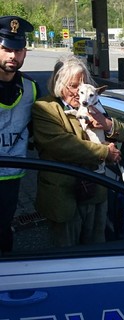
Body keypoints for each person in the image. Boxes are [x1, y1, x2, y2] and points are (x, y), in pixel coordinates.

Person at [32, 55, 124, 247]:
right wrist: (104, 152)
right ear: (60, 84)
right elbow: (62, 145)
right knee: (67, 252)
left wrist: (106, 123)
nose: (80, 92)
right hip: (64, 195)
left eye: (84, 84)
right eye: (74, 86)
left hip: (96, 192)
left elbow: (123, 132)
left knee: (96, 246)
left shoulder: (93, 103)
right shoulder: (45, 108)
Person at [0, 16, 40, 254]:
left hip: (11, 178)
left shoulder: (32, 88)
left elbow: (42, 131)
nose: (12, 56)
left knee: (3, 232)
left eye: (18, 50)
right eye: (5, 49)